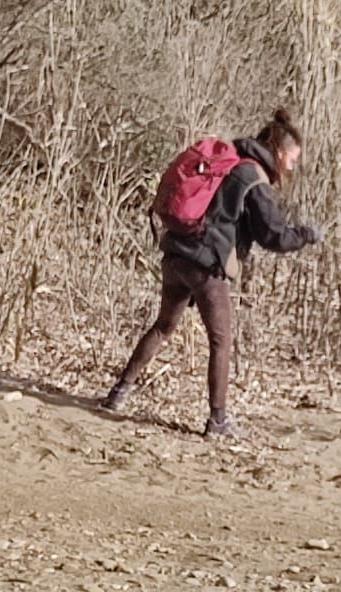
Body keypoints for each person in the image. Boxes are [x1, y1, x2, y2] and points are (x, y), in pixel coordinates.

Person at [102, 109, 322, 437]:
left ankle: (118, 394)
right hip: (206, 265)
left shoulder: (231, 161)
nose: (291, 167)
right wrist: (307, 234)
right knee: (221, 340)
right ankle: (218, 420)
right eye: (292, 159)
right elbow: (272, 235)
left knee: (163, 326)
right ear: (278, 151)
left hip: (177, 251)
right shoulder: (253, 178)